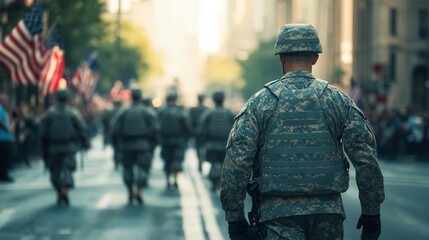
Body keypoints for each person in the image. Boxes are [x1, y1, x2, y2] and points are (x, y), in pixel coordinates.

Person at [220, 24, 385, 240]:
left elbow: (237, 160)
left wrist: (235, 216)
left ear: (281, 57)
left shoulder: (260, 102)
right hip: (328, 213)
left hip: (278, 215)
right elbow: (365, 158)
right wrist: (371, 212)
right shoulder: (338, 100)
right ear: (315, 58)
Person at [39, 89, 90, 205]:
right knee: (68, 169)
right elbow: (81, 129)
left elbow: (42, 133)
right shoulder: (73, 113)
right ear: (68, 99)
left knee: (54, 170)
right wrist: (85, 143)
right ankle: (65, 189)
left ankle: (59, 190)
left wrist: (43, 148)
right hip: (69, 147)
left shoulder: (49, 114)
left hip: (53, 147)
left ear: (56, 99)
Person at [111, 88, 158, 205]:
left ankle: (130, 192)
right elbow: (155, 130)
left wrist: (116, 146)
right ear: (140, 97)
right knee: (142, 169)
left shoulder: (123, 112)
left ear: (130, 97)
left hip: (126, 146)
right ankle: (139, 191)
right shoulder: (147, 112)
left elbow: (114, 130)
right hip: (143, 145)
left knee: (127, 169)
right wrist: (152, 145)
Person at [197, 91, 235, 191]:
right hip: (226, 144)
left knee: (213, 163)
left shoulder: (208, 113)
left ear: (213, 100)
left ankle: (214, 181)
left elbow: (201, 129)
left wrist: (203, 141)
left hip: (211, 144)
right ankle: (221, 182)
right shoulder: (229, 113)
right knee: (224, 165)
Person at [158, 91, 191, 189]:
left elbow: (156, 126)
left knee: (167, 160)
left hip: (165, 141)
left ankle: (168, 180)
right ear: (176, 99)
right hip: (178, 140)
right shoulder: (180, 111)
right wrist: (187, 137)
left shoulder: (161, 111)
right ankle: (175, 180)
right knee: (177, 160)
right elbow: (187, 126)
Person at [189, 94, 209, 173]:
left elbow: (189, 121)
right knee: (203, 147)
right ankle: (202, 158)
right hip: (205, 133)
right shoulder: (207, 109)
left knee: (197, 148)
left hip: (196, 133)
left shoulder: (193, 110)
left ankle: (199, 159)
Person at [101, 99, 122, 169]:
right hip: (121, 134)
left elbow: (104, 121)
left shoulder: (110, 112)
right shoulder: (123, 111)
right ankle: (119, 160)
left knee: (115, 148)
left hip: (113, 133)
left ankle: (116, 161)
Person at [0, 93, 14, 182]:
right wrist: (7, 128)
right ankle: (3, 175)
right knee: (3, 158)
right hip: (2, 138)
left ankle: (5, 173)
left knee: (6, 157)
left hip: (7, 138)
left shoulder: (4, 110)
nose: (7, 102)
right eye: (5, 101)